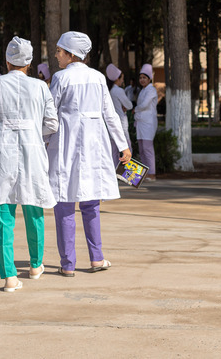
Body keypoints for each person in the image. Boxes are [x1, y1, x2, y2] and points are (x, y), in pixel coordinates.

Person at [0, 36, 58, 292]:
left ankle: (9, 277)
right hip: (32, 153)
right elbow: (52, 124)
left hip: (0, 153)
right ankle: (35, 265)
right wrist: (32, 132)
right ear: (30, 62)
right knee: (35, 209)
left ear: (7, 61)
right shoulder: (41, 87)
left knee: (3, 213)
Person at [47, 31, 131, 277]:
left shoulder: (60, 78)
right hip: (95, 145)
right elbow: (110, 115)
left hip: (66, 145)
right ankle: (96, 259)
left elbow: (50, 116)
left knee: (64, 202)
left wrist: (40, 141)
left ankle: (67, 264)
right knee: (91, 202)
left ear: (71, 55)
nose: (56, 55)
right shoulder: (97, 78)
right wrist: (123, 145)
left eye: (59, 51)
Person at [134, 64, 158, 181]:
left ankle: (152, 174)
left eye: (144, 77)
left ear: (149, 79)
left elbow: (144, 105)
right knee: (142, 149)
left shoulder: (151, 90)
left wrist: (135, 109)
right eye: (140, 78)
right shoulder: (143, 91)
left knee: (147, 149)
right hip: (140, 123)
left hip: (148, 124)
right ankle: (144, 173)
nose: (142, 80)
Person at [105, 63, 133, 163]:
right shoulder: (119, 91)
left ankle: (113, 174)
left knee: (113, 152)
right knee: (128, 149)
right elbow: (129, 105)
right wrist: (124, 106)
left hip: (111, 125)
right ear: (117, 79)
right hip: (121, 123)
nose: (122, 81)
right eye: (122, 79)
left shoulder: (109, 90)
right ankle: (130, 176)